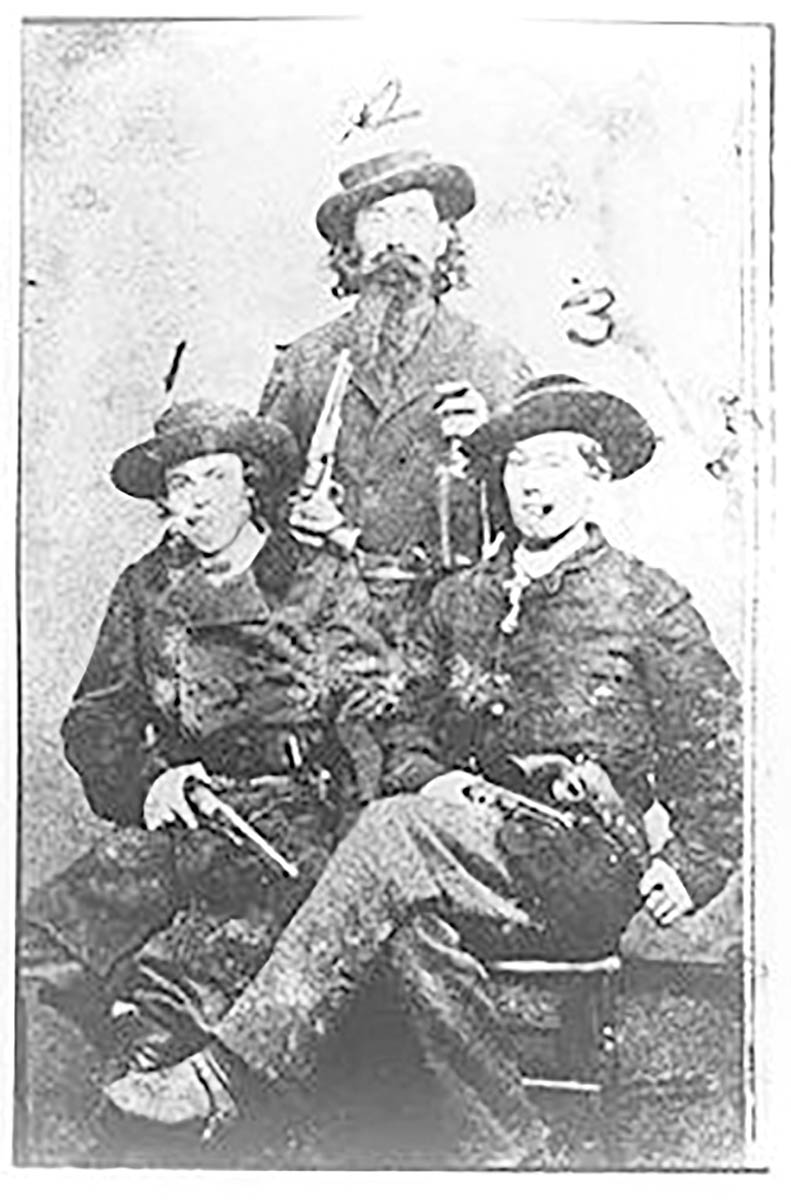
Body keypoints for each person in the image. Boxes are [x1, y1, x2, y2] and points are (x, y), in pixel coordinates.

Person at [104, 377, 742, 1166]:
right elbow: (400, 719)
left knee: (387, 830)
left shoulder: (648, 604)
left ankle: (232, 1073)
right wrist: (430, 777)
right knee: (404, 923)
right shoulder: (459, 602)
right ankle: (511, 1152)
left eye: (551, 464)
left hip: (580, 864)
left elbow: (718, 747)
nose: (531, 484)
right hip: (459, 848)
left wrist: (694, 862)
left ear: (596, 476)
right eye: (515, 466)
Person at [21, 398, 403, 1071]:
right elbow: (97, 716)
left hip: (290, 830)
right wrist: (147, 784)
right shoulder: (147, 585)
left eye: (212, 478)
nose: (193, 503)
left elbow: (371, 715)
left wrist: (357, 837)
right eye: (178, 485)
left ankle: (172, 1109)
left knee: (173, 1003)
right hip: (182, 817)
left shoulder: (319, 579)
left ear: (252, 481)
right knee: (41, 949)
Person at [259, 147, 535, 632]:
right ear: (351, 243)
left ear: (443, 237)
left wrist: (488, 443)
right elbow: (260, 488)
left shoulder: (495, 362)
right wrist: (297, 511)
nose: (396, 237)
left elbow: (537, 508)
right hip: (326, 622)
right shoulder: (304, 362)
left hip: (449, 625)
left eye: (413, 216)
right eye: (378, 218)